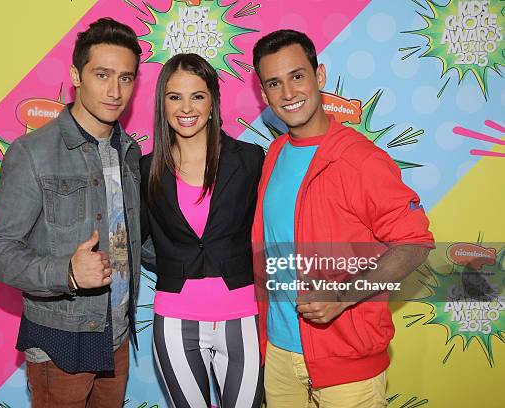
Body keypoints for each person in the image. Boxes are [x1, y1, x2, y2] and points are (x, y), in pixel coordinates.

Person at [250, 30, 434, 407]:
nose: (288, 93)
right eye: (274, 83)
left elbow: (414, 243)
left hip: (347, 363)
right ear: (264, 95)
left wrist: (344, 295)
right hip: (280, 357)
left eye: (297, 76)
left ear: (319, 77)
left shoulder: (360, 160)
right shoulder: (274, 153)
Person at [0, 18, 143, 408]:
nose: (115, 90)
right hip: (60, 342)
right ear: (76, 76)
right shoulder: (32, 152)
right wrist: (66, 272)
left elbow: (131, 238)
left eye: (126, 78)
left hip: (116, 337)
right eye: (102, 74)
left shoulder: (129, 151)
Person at [140, 53, 264, 408]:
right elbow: (136, 239)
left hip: (242, 317)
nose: (186, 107)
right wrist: (171, 260)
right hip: (175, 320)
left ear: (213, 101)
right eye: (174, 96)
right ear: (162, 103)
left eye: (197, 95)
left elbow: (267, 230)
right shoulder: (147, 169)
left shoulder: (251, 159)